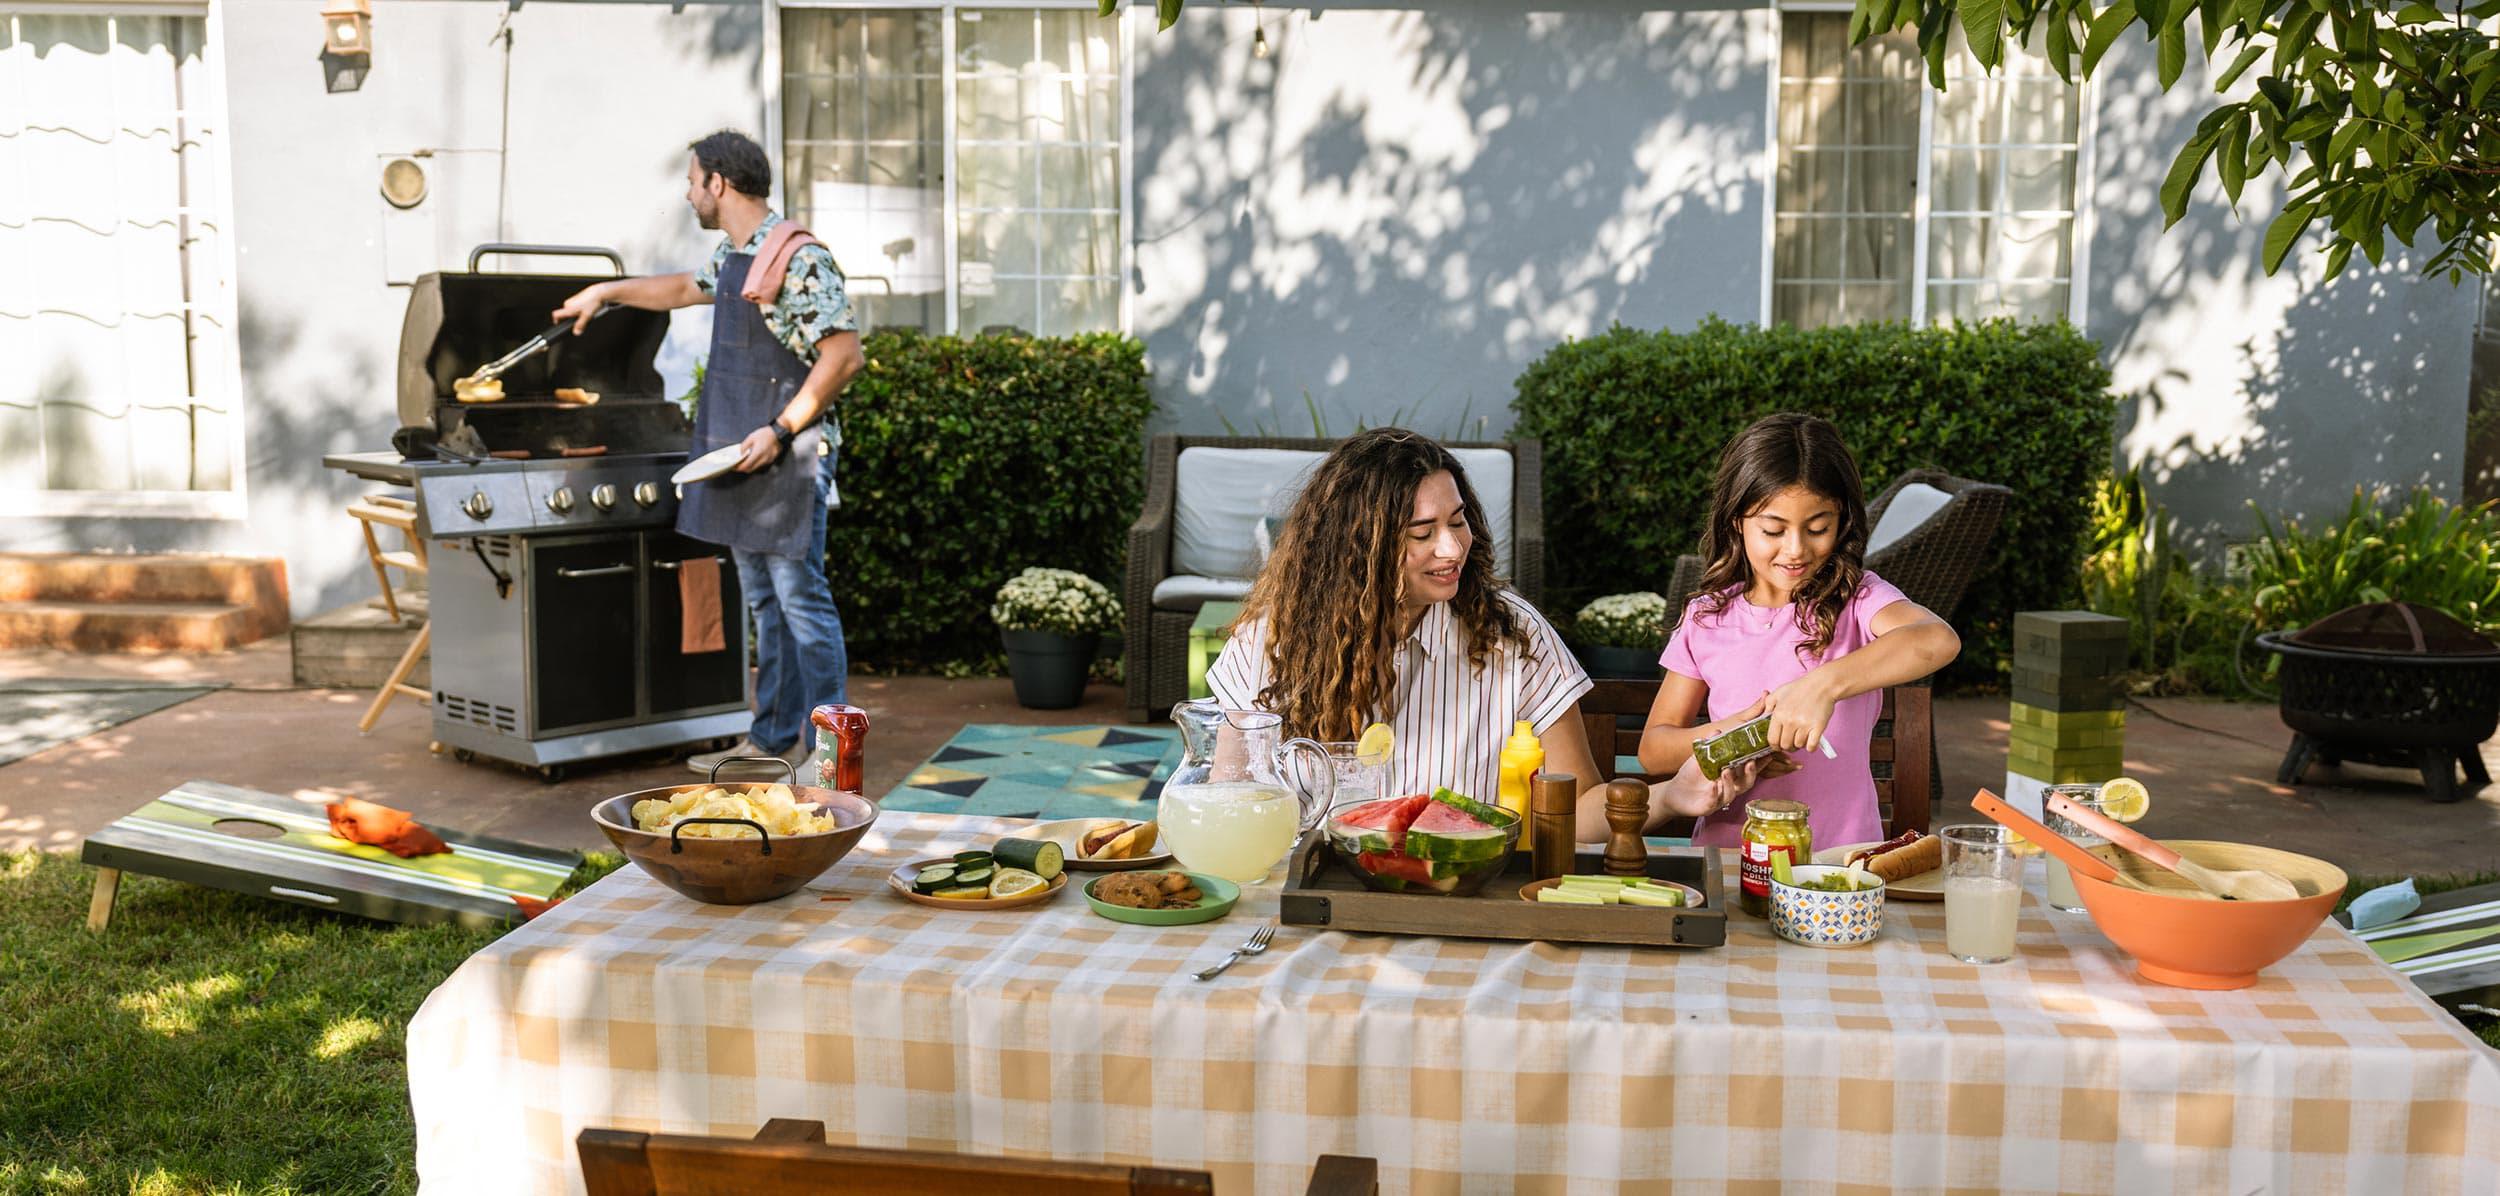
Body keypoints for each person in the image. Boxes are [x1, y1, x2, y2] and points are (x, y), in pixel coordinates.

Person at [1206, 427, 1747, 827]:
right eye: (1422, 533)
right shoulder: (1271, 641)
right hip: (1312, 903)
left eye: (1458, 521)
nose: (1452, 548)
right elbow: (1227, 799)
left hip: (1468, 908)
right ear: (1356, 549)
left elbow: (1576, 806)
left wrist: (1673, 795)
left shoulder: (1515, 635)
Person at [551, 130, 865, 776]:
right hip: (741, 454)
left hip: (791, 452)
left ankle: (831, 756)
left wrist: (778, 430)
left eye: (693, 181)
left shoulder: (798, 258)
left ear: (718, 184)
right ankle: (773, 739)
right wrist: (605, 293)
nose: (688, 193)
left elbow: (843, 357)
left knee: (800, 598)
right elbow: (675, 290)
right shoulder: (735, 256)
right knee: (765, 603)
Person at [1636, 413, 1963, 848]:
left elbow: (1938, 639)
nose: (1796, 550)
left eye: (1818, 528)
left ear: (1841, 520)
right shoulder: (1707, 617)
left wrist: (1820, 687)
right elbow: (1654, 750)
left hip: (1841, 862)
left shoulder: (1859, 600)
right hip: (1732, 858)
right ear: (1737, 520)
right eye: (1773, 530)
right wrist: (1742, 738)